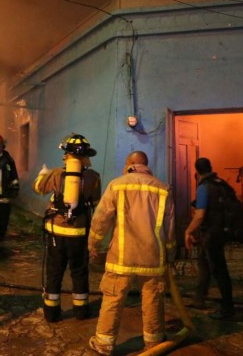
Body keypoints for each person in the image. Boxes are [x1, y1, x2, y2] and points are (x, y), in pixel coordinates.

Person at [88, 151, 176, 355]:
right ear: (146, 165)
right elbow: (170, 229)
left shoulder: (117, 185)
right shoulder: (163, 189)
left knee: (113, 299)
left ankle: (104, 343)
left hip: (121, 258)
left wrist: (94, 244)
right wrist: (170, 255)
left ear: (130, 164)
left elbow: (101, 219)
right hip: (153, 258)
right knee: (153, 300)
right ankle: (154, 343)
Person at [33, 134, 101, 322]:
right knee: (79, 272)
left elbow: (38, 187)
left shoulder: (56, 174)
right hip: (79, 234)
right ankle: (81, 312)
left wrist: (42, 174)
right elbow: (95, 202)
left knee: (54, 272)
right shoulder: (94, 177)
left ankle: (52, 314)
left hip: (57, 233)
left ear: (67, 154)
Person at [184, 157, 235, 320]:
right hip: (222, 231)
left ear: (196, 171)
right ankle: (199, 298)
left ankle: (227, 308)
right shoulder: (221, 183)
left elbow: (200, 215)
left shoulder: (205, 188)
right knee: (204, 263)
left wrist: (188, 231)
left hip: (212, 233)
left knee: (219, 270)